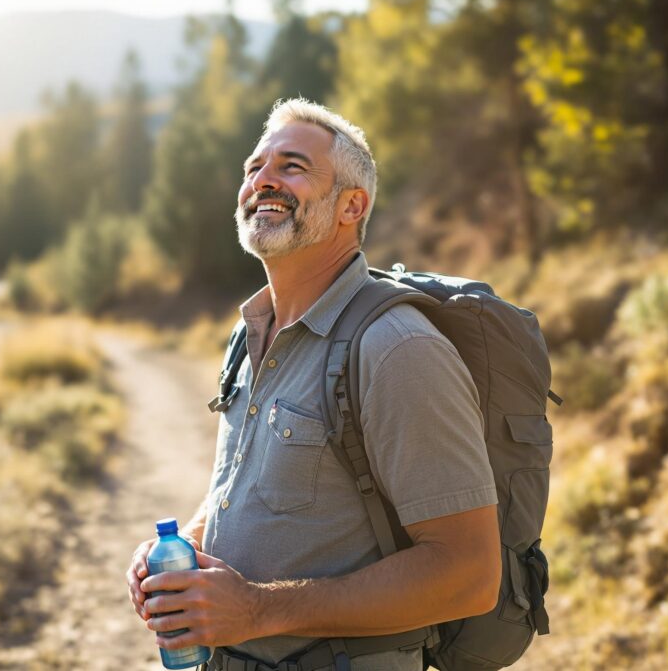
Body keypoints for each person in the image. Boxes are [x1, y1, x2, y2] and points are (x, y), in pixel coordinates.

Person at [126, 99, 501, 671]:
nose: (263, 180)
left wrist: (255, 611)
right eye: (254, 167)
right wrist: (182, 550)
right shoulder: (250, 333)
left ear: (352, 205)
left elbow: (468, 576)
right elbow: (254, 484)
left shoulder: (398, 349)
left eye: (292, 166)